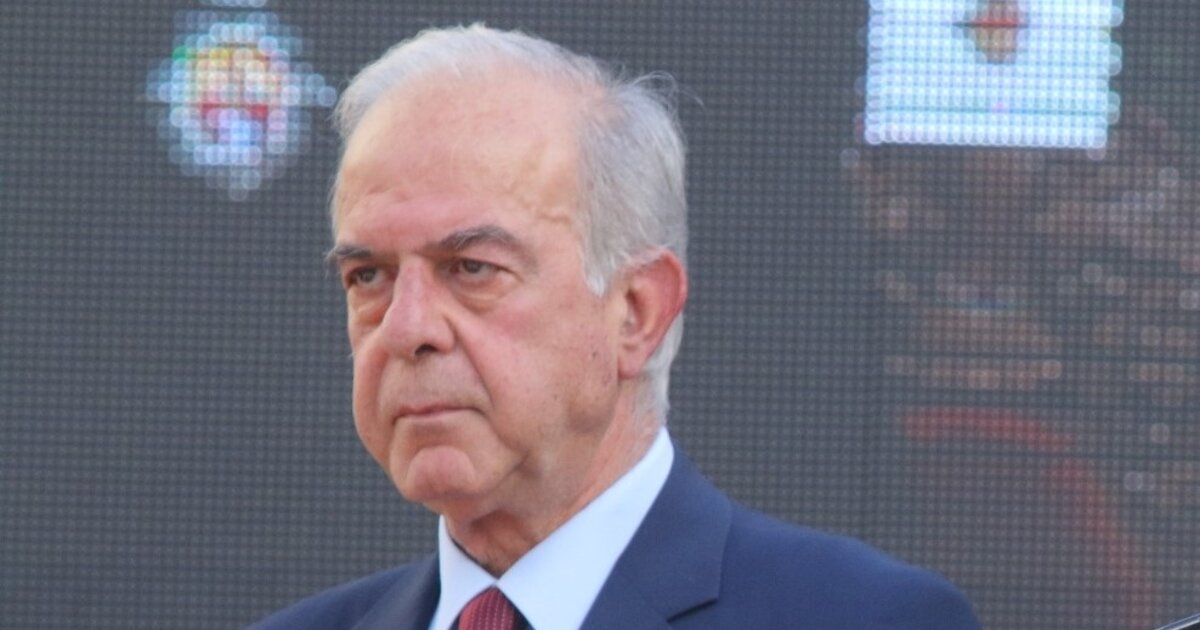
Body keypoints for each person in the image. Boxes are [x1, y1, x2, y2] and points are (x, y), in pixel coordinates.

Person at [249, 24, 981, 630]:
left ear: (637, 312)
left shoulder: (867, 618)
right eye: (368, 276)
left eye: (471, 268)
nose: (406, 328)